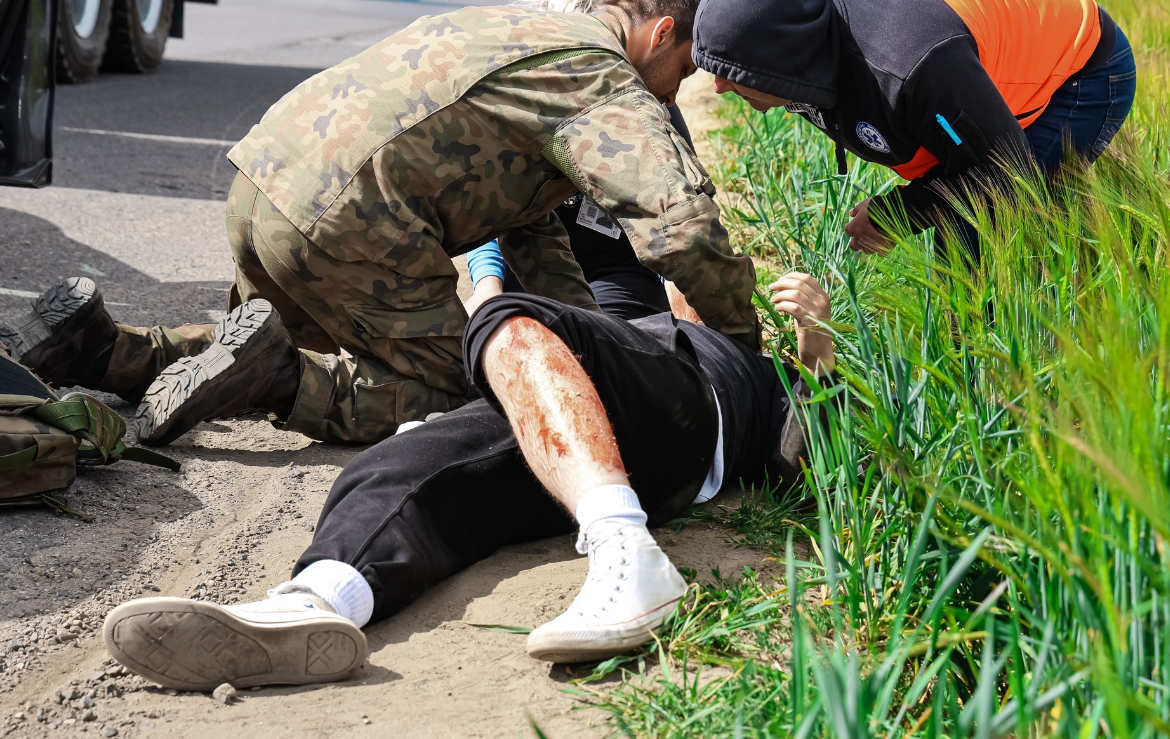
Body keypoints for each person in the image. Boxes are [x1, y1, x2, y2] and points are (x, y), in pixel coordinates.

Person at [0, 0, 758, 446]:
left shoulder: (512, 27)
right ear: (661, 33)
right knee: (473, 383)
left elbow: (531, 228)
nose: (677, 92)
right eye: (684, 71)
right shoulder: (602, 77)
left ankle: (99, 346)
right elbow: (681, 230)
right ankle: (278, 381)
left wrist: (587, 345)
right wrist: (741, 354)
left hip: (263, 187)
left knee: (270, 339)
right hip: (347, 225)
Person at [100, 271, 835, 689]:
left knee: (505, 317)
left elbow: (807, 455)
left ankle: (626, 552)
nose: (686, 285)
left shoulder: (739, 362)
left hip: (681, 416)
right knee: (404, 465)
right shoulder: (627, 309)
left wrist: (817, 351)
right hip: (576, 438)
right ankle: (316, 604)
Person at [692, 0, 1138, 258]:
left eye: (735, 73)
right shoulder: (800, 20)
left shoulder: (909, 65)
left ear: (784, 60)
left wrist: (898, 215)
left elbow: (1004, 167)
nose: (719, 88)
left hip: (1080, 68)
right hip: (965, 67)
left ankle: (986, 362)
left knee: (975, 234)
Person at [463, 0, 690, 322]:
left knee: (614, 335)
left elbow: (676, 214)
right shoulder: (516, 103)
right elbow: (485, 208)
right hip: (530, 266)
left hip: (617, 270)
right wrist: (487, 288)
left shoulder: (644, 106)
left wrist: (682, 293)